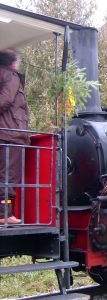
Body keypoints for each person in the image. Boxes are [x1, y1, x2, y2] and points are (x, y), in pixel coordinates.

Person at [0, 49, 30, 225]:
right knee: (8, 176)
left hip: (5, 132)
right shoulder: (11, 76)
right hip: (11, 134)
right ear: (14, 62)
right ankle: (4, 214)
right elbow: (6, 100)